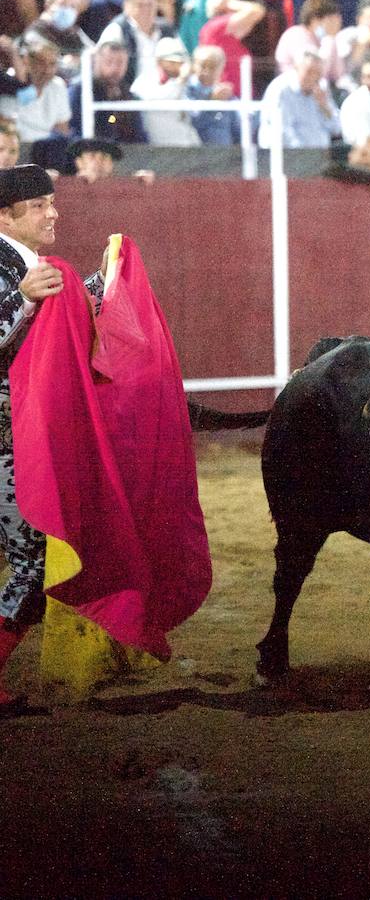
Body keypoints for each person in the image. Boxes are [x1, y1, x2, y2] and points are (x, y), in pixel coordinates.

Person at [0, 165, 104, 712]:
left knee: (33, 558)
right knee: (35, 562)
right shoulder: (14, 272)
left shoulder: (27, 265)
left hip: (19, 440)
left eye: (50, 201)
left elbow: (56, 319)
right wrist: (20, 300)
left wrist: (103, 285)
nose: (53, 212)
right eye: (38, 205)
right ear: (5, 215)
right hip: (5, 445)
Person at [96, 0, 174, 90]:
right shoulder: (117, 30)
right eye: (140, 5)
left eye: (150, 4)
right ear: (127, 6)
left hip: (166, 93)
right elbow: (102, 68)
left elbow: (182, 60)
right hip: (129, 95)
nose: (146, 9)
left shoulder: (166, 30)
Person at [68, 40, 148, 144]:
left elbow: (139, 137)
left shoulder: (128, 96)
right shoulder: (79, 91)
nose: (114, 68)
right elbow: (71, 131)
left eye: (120, 63)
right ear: (96, 62)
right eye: (109, 62)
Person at [259, 50, 341, 149]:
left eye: (318, 74)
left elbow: (336, 129)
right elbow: (283, 133)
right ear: (297, 68)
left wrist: (325, 107)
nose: (313, 77)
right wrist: (305, 153)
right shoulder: (281, 90)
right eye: (309, 72)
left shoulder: (321, 88)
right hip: (287, 153)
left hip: (319, 153)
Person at [131, 36, 201, 147]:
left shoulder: (184, 83)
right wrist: (180, 81)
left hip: (185, 143)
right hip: (160, 145)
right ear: (159, 61)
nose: (178, 66)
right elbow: (160, 100)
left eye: (181, 63)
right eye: (172, 62)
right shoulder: (145, 80)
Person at [196, 0, 266, 98]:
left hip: (232, 96)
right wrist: (229, 3)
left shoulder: (211, 29)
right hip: (228, 97)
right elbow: (257, 11)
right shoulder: (219, 26)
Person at [274, 0, 345, 86]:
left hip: (317, 88)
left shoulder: (322, 40)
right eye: (331, 19)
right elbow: (316, 71)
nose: (337, 23)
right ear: (315, 19)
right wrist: (329, 39)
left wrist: (331, 39)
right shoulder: (296, 34)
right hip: (293, 88)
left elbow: (338, 74)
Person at [14, 35, 72, 143]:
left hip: (45, 146)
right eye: (41, 63)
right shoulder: (10, 83)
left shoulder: (58, 85)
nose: (47, 70)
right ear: (27, 61)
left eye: (52, 64)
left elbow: (62, 128)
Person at [185, 45, 237, 145]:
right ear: (194, 65)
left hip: (225, 152)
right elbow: (193, 123)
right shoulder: (188, 90)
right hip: (196, 151)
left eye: (212, 67)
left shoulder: (224, 93)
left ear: (221, 69)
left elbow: (238, 126)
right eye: (202, 66)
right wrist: (211, 102)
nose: (207, 72)